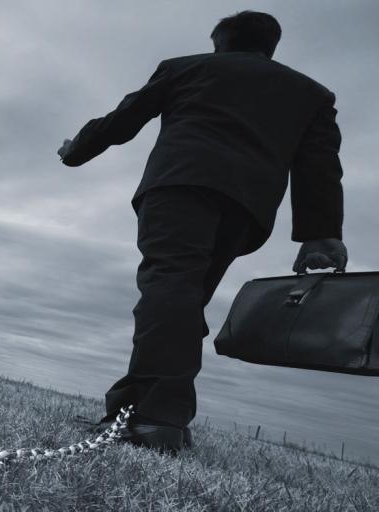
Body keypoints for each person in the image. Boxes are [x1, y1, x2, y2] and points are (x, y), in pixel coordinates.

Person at [58, 10, 348, 453]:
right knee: (181, 301)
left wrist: (74, 149)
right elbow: (320, 168)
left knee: (168, 293)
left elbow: (123, 120)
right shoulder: (311, 94)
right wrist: (321, 234)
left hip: (179, 187)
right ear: (270, 46)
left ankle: (158, 419)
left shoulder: (185, 67)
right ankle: (135, 413)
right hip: (246, 208)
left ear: (222, 41)